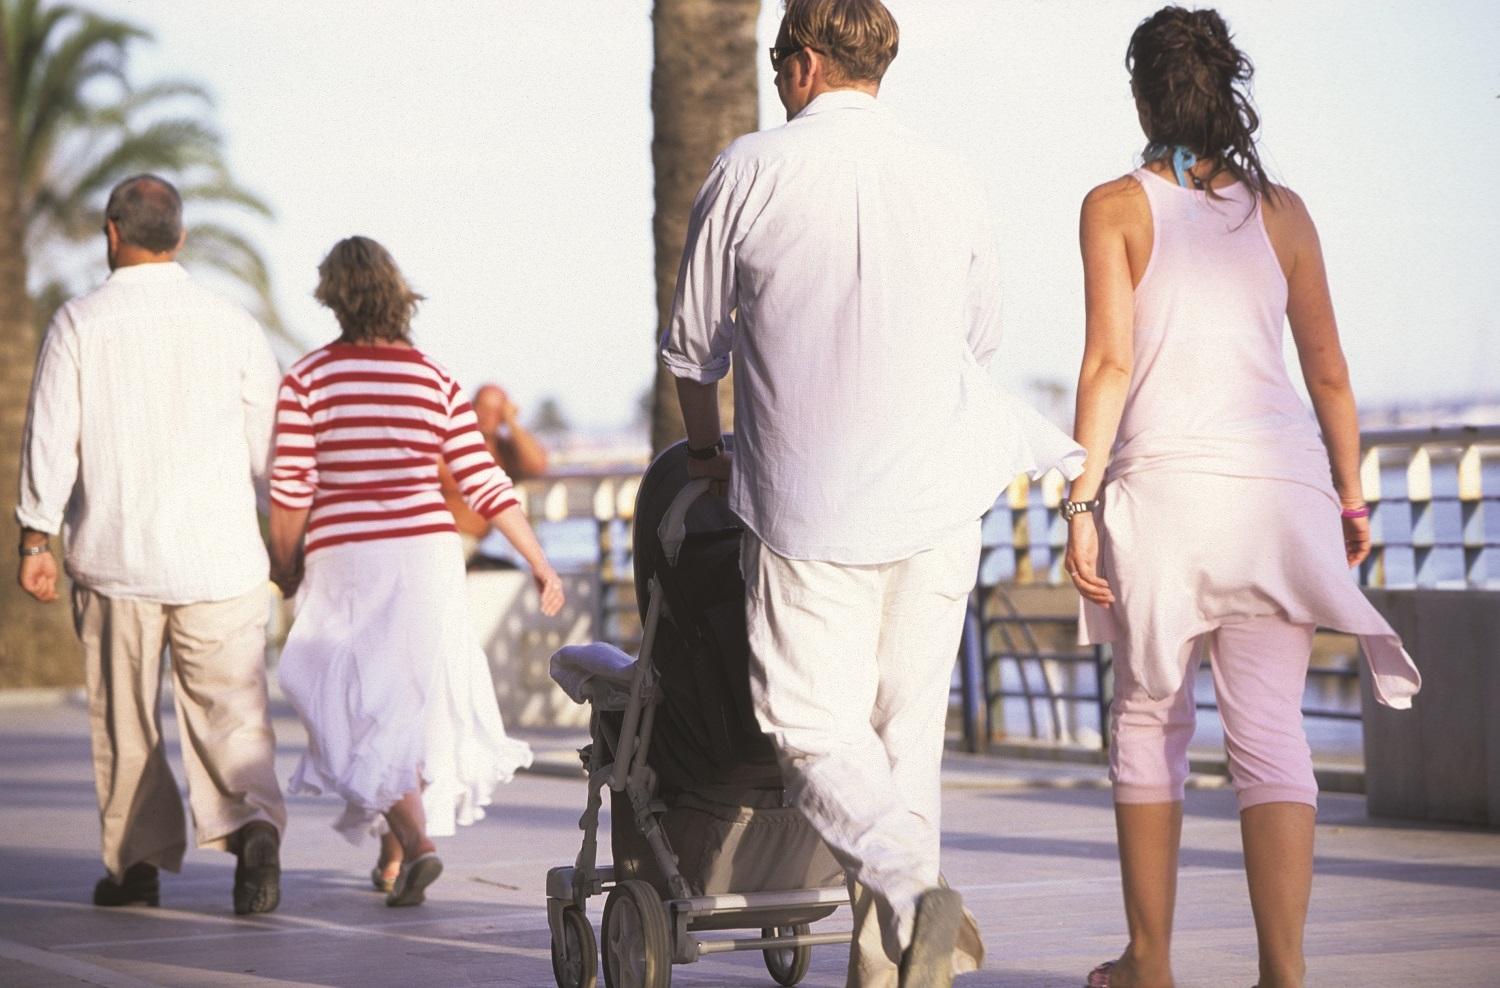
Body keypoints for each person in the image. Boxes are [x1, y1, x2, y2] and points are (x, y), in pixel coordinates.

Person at [659, 2, 1082, 984]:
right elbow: (979, 344)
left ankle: (909, 884)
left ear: (804, 64)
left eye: (777, 63)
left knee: (812, 728)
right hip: (936, 502)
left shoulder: (750, 169)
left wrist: (708, 449)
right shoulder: (953, 175)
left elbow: (691, 348)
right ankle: (888, 964)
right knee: (904, 742)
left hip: (808, 507)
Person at [1064, 8, 1422, 987]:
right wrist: (1352, 504)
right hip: (1279, 497)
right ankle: (1283, 972)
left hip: (1169, 501)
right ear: (1229, 93)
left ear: (1142, 96)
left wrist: (1080, 504)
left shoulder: (1115, 206)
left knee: (1149, 721)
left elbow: (1106, 362)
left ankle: (1150, 961)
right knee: (1269, 731)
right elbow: (1331, 374)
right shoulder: (1284, 212)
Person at [15, 173, 287, 915]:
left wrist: (35, 537)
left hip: (117, 558)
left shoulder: (80, 322)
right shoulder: (231, 322)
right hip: (222, 560)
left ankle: (135, 866)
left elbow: (51, 440)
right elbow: (274, 453)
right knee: (233, 712)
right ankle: (255, 829)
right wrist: (288, 544)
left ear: (112, 234)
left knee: (125, 719)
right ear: (181, 237)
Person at [267, 236, 564, 907]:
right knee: (403, 701)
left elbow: (290, 488)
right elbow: (483, 478)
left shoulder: (307, 379)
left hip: (347, 559)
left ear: (332, 297)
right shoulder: (433, 377)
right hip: (427, 555)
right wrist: (540, 561)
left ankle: (417, 844)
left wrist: (283, 566)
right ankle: (397, 851)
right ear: (398, 294)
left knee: (349, 702)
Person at [438, 382, 549, 565]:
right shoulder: (449, 448)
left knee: (516, 573)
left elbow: (538, 464)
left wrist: (512, 422)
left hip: (472, 548)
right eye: (483, 407)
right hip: (448, 544)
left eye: (497, 410)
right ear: (471, 408)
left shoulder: (504, 453)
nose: (488, 416)